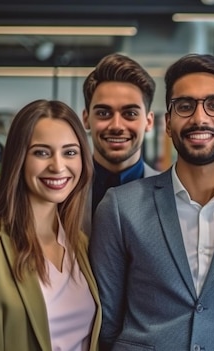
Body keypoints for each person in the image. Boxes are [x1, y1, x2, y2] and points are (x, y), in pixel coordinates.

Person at [89, 53, 214, 351]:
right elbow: (107, 324)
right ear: (168, 123)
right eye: (185, 106)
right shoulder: (119, 207)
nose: (199, 118)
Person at [0, 99, 101, 351]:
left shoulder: (81, 245)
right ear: (19, 158)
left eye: (70, 152)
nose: (58, 166)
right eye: (41, 152)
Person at [81, 53, 159, 235]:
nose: (116, 126)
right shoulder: (60, 195)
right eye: (103, 113)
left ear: (148, 122)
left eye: (130, 114)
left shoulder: (175, 199)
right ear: (86, 119)